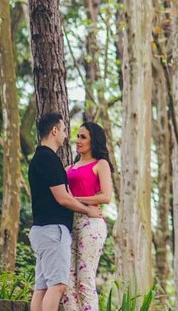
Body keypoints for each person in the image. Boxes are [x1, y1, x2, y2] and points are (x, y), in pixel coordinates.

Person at [29, 113, 102, 311]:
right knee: (58, 286)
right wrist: (87, 210)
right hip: (53, 231)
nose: (65, 135)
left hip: (41, 230)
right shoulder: (49, 159)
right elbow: (63, 198)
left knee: (42, 288)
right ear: (54, 131)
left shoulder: (38, 158)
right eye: (63, 130)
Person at [61, 121, 115, 311]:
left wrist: (75, 200)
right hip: (69, 224)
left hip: (91, 223)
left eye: (83, 137)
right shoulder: (68, 168)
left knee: (85, 280)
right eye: (77, 136)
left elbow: (106, 197)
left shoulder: (101, 164)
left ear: (94, 141)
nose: (78, 140)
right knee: (66, 284)